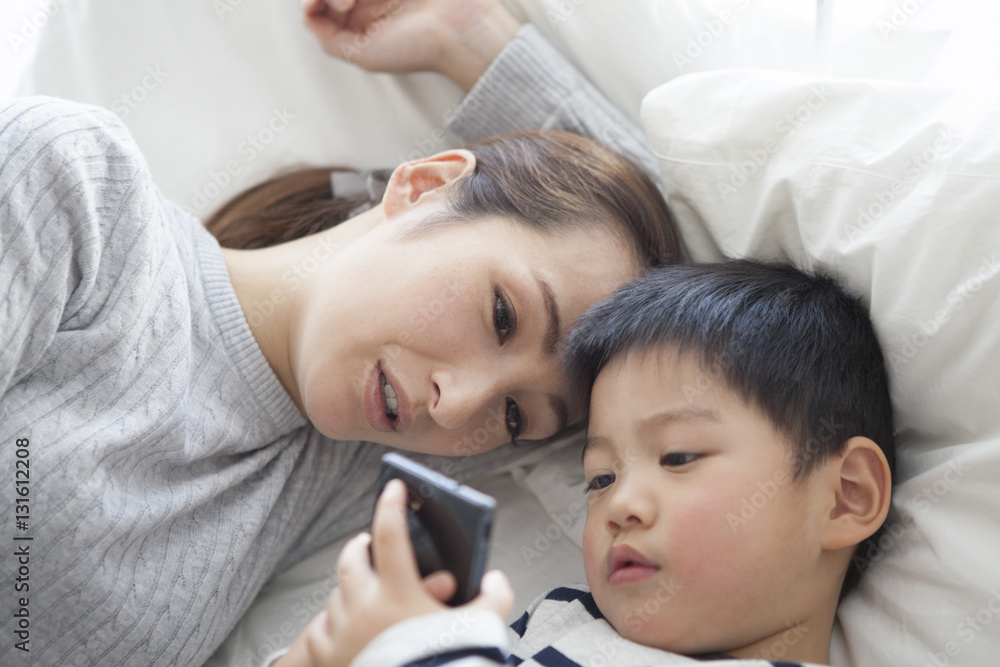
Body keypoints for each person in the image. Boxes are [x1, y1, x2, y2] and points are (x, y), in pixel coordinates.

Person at [0, 78, 679, 667]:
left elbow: (708, 314)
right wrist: (467, 32)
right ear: (424, 186)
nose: (455, 405)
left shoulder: (350, 466)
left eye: (513, 416)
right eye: (502, 314)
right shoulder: (81, 186)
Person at [270, 260, 895, 666]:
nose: (621, 505)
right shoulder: (559, 620)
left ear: (846, 496)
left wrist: (414, 644)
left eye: (678, 457)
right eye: (599, 478)